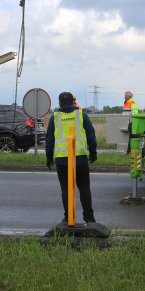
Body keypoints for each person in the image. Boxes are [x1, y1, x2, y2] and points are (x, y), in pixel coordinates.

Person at [45, 91, 98, 224]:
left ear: (59, 104)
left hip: (62, 160)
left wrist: (49, 156)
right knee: (84, 189)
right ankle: (89, 218)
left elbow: (49, 139)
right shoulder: (81, 115)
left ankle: (68, 217)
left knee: (66, 190)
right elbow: (91, 134)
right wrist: (93, 152)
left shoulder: (54, 118)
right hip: (80, 158)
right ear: (74, 103)